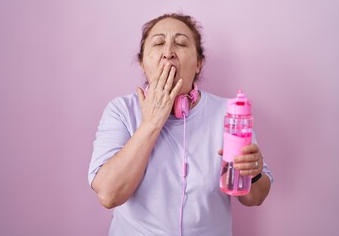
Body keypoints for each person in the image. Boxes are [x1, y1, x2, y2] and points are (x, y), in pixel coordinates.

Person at [88, 13, 273, 236]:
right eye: (158, 43)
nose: (168, 53)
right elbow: (109, 195)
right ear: (142, 63)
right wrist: (152, 122)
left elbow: (256, 197)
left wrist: (252, 174)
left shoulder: (230, 113)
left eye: (181, 43)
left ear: (198, 64)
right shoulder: (120, 111)